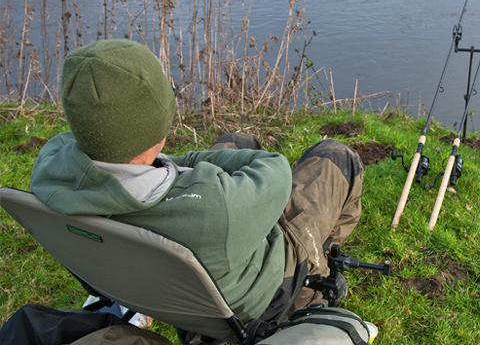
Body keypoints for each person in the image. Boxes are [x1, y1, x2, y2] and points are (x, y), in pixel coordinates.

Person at [30, 39, 363, 324]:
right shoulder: (216, 208)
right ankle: (311, 289)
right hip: (251, 297)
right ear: (156, 124)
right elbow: (272, 170)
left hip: (149, 285)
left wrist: (180, 163)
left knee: (237, 140)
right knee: (334, 156)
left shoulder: (50, 170)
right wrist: (191, 165)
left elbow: (173, 165)